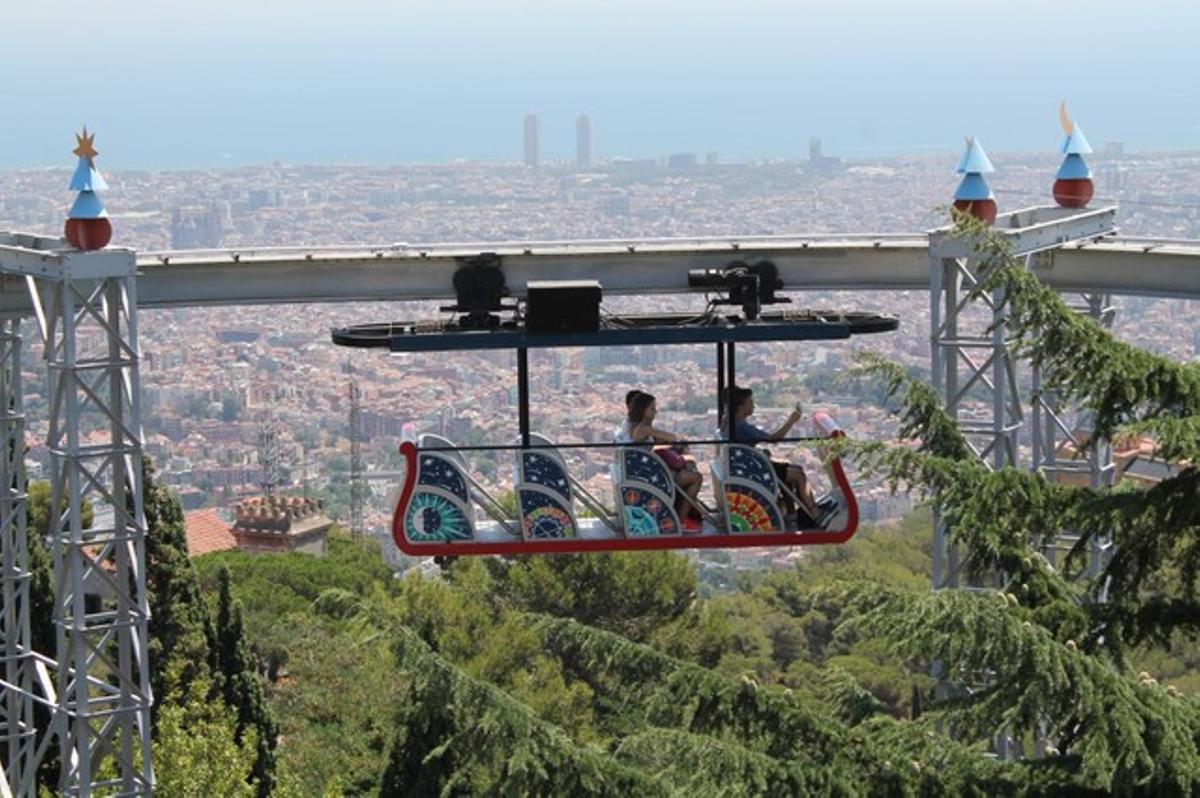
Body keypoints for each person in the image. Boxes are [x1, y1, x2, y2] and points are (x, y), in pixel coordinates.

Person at [723, 385, 826, 525]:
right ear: (740, 406)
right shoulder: (743, 428)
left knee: (788, 468)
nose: (754, 406)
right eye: (750, 403)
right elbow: (775, 438)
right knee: (798, 474)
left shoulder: (728, 422)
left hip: (746, 468)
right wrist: (792, 421)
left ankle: (792, 512)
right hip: (754, 472)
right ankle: (815, 513)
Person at [622, 391, 703, 531]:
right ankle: (681, 520)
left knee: (685, 468)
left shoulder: (631, 425)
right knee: (696, 478)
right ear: (643, 410)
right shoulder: (643, 428)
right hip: (651, 478)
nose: (655, 411)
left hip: (643, 473)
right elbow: (671, 437)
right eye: (652, 408)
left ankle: (685, 513)